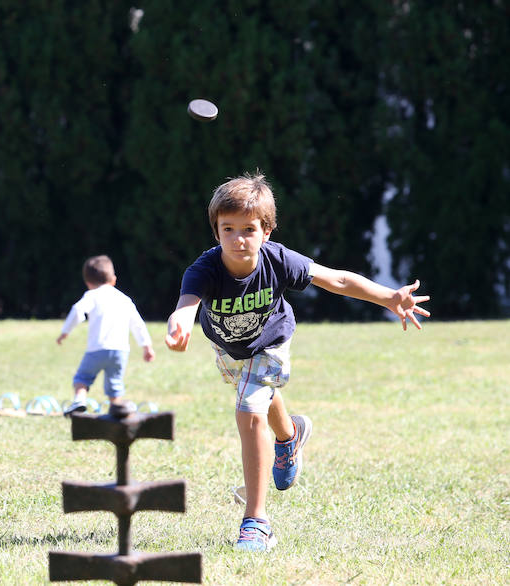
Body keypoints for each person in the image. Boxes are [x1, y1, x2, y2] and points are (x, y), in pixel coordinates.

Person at [165, 172, 430, 553]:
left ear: (267, 231)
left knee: (249, 411)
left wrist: (389, 297)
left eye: (249, 229)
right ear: (216, 231)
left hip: (271, 341)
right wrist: (178, 324)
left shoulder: (279, 260)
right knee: (256, 393)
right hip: (229, 348)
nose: (239, 239)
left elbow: (336, 280)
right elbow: (185, 305)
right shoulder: (204, 269)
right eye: (228, 229)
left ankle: (256, 523)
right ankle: (290, 436)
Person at [57, 255, 155, 417]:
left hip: (97, 348)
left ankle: (79, 401)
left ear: (88, 283)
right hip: (120, 351)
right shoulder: (125, 299)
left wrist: (65, 332)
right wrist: (147, 346)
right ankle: (117, 411)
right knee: (115, 383)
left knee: (82, 377)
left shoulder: (92, 295)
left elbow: (77, 311)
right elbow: (138, 324)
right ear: (113, 279)